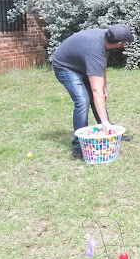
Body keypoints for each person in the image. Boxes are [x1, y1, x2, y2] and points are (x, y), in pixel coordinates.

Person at [52, 24, 134, 158]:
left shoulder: (107, 38)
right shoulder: (95, 50)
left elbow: (103, 62)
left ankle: (109, 131)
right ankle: (79, 146)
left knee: (98, 94)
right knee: (83, 101)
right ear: (119, 44)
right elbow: (96, 91)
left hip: (82, 62)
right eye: (126, 43)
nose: (126, 44)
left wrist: (104, 85)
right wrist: (100, 91)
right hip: (65, 67)